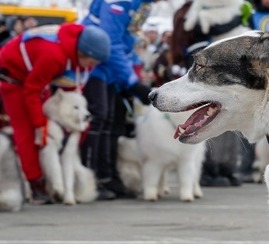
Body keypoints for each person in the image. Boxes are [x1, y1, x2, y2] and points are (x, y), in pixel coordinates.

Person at [0, 23, 110, 204]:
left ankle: (51, 181)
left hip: (37, 80)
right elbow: (31, 90)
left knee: (48, 133)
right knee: (28, 133)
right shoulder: (53, 55)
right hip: (13, 79)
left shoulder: (80, 52)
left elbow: (74, 88)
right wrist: (39, 125)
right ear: (84, 54)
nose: (93, 67)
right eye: (92, 63)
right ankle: (35, 185)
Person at [82, 0, 156, 200]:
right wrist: (131, 81)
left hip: (112, 69)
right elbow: (109, 42)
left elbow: (127, 40)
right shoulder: (119, 2)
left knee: (114, 123)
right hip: (95, 65)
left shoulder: (143, 4)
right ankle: (93, 177)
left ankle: (109, 175)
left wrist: (129, 79)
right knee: (100, 119)